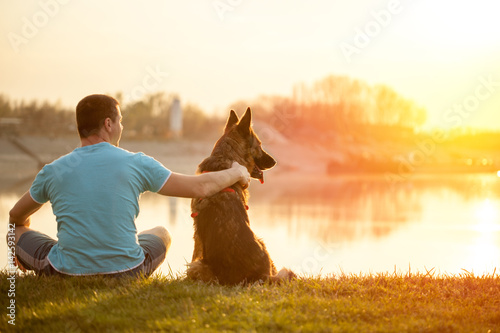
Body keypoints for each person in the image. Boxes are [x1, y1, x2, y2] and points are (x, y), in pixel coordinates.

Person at [8, 94, 250, 277]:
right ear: (108, 124)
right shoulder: (137, 163)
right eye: (120, 120)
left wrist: (22, 235)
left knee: (16, 231)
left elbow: (14, 216)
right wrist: (237, 171)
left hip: (64, 271)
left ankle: (40, 263)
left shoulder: (54, 170)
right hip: (129, 270)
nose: (121, 126)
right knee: (161, 233)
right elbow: (200, 188)